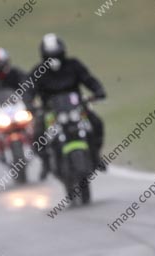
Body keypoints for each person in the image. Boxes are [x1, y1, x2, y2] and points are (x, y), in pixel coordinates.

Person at [26, 33, 106, 179]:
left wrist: (98, 91)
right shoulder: (38, 71)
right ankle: (47, 163)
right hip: (50, 112)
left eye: (56, 54)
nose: (54, 58)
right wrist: (30, 105)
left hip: (77, 108)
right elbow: (28, 91)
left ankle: (96, 156)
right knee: (37, 134)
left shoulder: (73, 65)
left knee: (96, 122)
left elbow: (89, 79)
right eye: (50, 55)